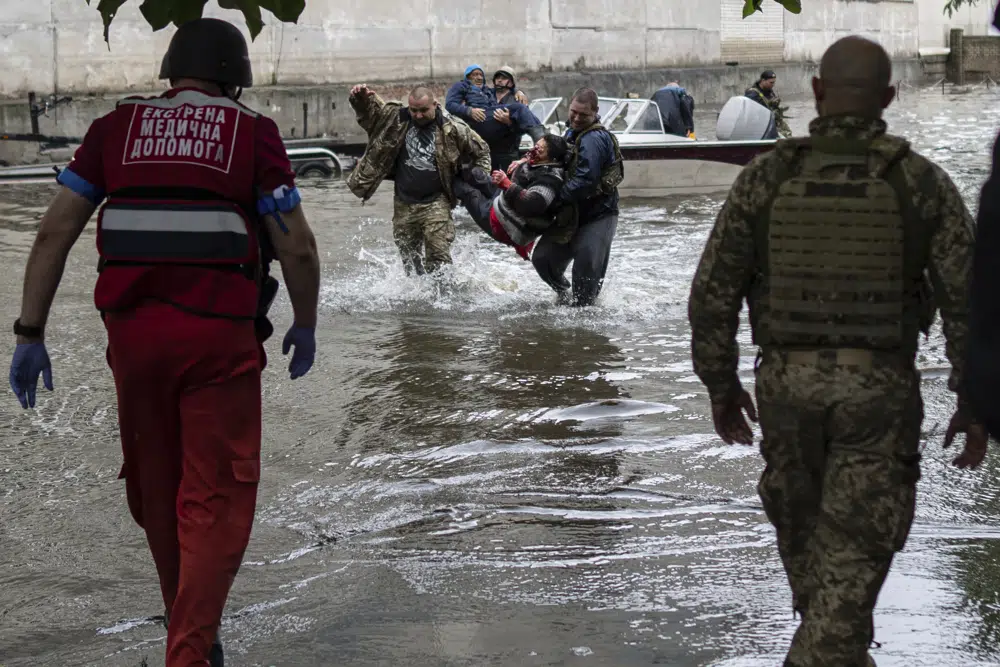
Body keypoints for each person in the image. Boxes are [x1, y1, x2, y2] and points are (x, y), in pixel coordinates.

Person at [7, 17, 321, 667]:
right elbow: (295, 243)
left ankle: (193, 634)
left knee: (157, 489)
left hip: (133, 341)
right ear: (236, 79)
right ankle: (190, 651)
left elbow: (52, 232)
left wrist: (29, 332)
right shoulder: (252, 134)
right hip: (217, 341)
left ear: (171, 71)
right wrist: (306, 321)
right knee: (216, 496)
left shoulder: (112, 130)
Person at [688, 35, 986, 667]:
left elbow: (713, 291)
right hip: (877, 398)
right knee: (839, 592)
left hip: (785, 395)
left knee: (827, 591)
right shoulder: (920, 181)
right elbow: (970, 303)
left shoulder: (767, 176)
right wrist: (976, 397)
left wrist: (721, 385)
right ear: (888, 97)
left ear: (816, 92)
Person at [346, 84, 491, 275]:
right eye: (414, 110)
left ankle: (445, 299)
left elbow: (482, 152)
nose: (418, 115)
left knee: (438, 259)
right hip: (404, 201)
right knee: (410, 262)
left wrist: (478, 182)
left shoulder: (453, 127)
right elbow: (369, 117)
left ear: (435, 105)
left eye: (424, 110)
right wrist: (360, 100)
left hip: (436, 201)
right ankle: (417, 299)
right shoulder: (397, 118)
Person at [531, 87, 622, 307]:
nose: (577, 118)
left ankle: (584, 322)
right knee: (543, 259)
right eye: (573, 112)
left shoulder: (594, 139)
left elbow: (584, 180)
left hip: (599, 215)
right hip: (572, 213)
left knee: (585, 275)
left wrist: (552, 201)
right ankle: (564, 295)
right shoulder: (571, 133)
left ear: (596, 112)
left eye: (584, 115)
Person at [452, 133, 573, 260]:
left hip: (505, 224)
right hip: (503, 199)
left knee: (468, 192)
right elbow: (531, 155)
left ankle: (441, 180)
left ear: (552, 159)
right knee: (475, 174)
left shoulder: (550, 180)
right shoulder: (540, 160)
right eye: (536, 146)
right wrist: (521, 161)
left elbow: (532, 204)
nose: (532, 151)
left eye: (539, 151)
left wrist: (507, 184)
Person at [445, 64, 544, 170]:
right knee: (520, 109)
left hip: (508, 151)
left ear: (512, 82)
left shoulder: (515, 98)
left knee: (524, 112)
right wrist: (469, 110)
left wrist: (510, 122)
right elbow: (450, 104)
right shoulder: (482, 90)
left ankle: (543, 141)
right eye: (498, 78)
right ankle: (543, 141)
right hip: (486, 139)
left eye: (504, 78)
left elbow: (525, 125)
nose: (500, 80)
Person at [746, 70, 791, 138]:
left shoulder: (769, 90)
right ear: (763, 80)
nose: (773, 85)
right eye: (771, 82)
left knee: (788, 135)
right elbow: (750, 112)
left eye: (774, 82)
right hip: (762, 126)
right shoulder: (752, 93)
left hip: (774, 121)